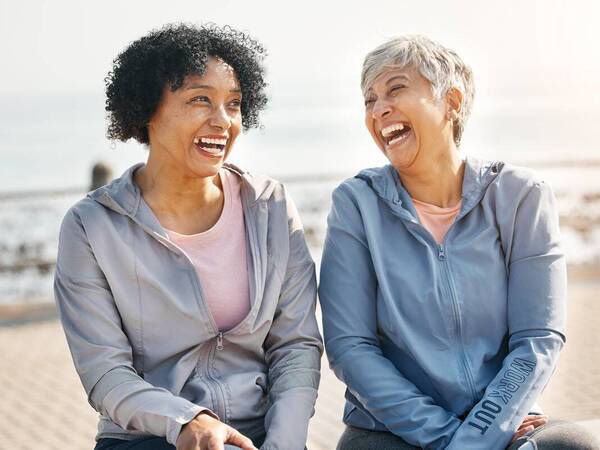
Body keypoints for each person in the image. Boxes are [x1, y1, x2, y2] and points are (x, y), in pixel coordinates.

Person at [318, 35, 599, 450]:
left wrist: (482, 431)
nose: (379, 109)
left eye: (395, 89)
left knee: (572, 444)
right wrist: (451, 438)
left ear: (451, 100)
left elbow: (537, 338)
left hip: (497, 419)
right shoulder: (356, 203)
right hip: (389, 430)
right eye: (369, 100)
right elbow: (350, 348)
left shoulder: (520, 195)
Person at [54, 23, 322, 450]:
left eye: (233, 104)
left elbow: (296, 345)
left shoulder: (270, 206)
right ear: (147, 110)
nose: (223, 121)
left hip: (262, 435)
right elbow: (104, 372)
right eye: (200, 99)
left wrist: (284, 443)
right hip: (150, 436)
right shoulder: (92, 226)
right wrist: (186, 420)